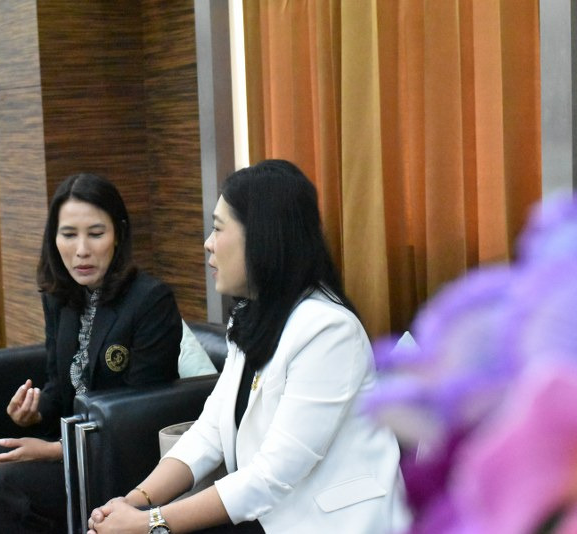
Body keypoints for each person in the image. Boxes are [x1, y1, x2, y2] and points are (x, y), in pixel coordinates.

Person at [87, 160, 411, 534]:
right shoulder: (253, 316)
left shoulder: (328, 331)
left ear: (262, 238)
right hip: (266, 516)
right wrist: (134, 502)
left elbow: (272, 474)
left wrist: (150, 523)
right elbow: (209, 432)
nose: (208, 243)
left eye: (218, 228)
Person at [0, 173, 183, 533]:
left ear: (118, 234)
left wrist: (52, 450)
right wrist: (34, 412)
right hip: (70, 444)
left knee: (8, 485)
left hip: (121, 458)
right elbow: (59, 386)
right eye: (68, 234)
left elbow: (139, 417)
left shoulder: (150, 301)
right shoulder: (60, 296)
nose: (81, 250)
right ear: (54, 238)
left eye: (95, 234)